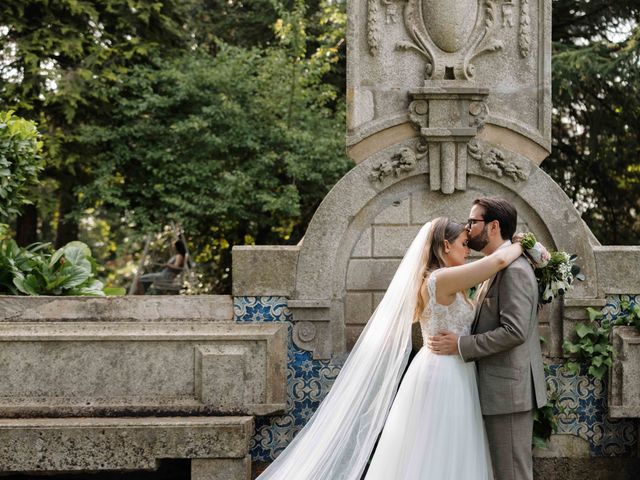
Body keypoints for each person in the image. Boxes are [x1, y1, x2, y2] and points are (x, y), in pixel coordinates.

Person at [257, 216, 528, 480]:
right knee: (437, 447)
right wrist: (526, 245)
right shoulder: (440, 279)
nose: (467, 251)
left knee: (453, 446)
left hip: (456, 369)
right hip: (443, 374)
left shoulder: (447, 279)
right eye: (463, 244)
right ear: (446, 246)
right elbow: (500, 260)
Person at [429, 197, 548, 480]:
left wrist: (459, 345)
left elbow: (515, 331)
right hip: (492, 389)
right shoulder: (494, 268)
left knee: (512, 473)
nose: (468, 230)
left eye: (473, 222)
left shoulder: (515, 271)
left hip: (508, 393)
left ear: (493, 226)